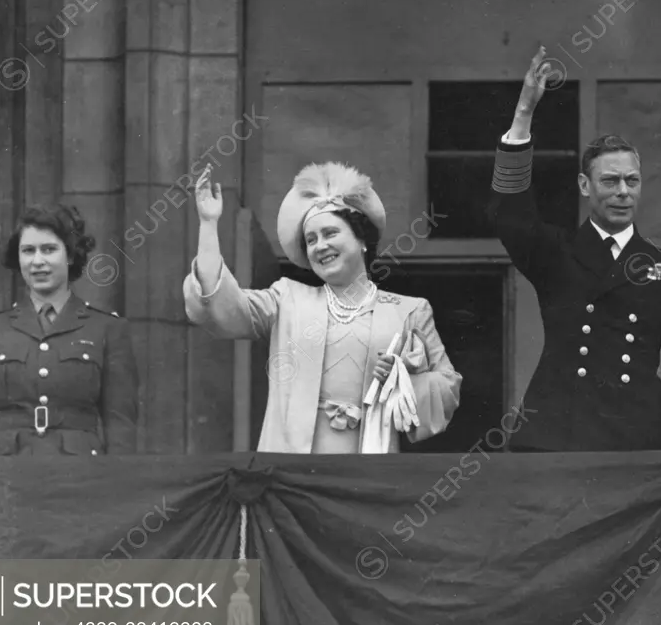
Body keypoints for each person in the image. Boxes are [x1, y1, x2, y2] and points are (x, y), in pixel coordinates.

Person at [488, 46, 661, 452]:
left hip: (636, 437)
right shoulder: (555, 251)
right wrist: (523, 114)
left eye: (632, 181)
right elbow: (509, 215)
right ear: (585, 187)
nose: (623, 192)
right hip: (556, 435)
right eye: (610, 181)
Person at [183, 162, 461, 453]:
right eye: (311, 240)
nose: (319, 246)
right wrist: (208, 224)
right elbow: (219, 305)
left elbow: (447, 389)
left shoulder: (410, 311)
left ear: (361, 239)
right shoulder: (286, 299)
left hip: (369, 471)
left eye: (330, 233)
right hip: (292, 473)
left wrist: (403, 378)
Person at [0, 204, 139, 456]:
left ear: (71, 256)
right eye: (28, 250)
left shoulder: (107, 328)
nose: (37, 261)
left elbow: (120, 427)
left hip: (79, 478)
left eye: (49, 249)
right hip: (8, 478)